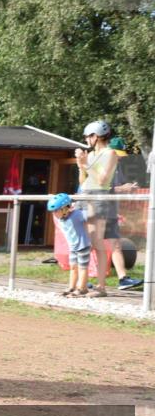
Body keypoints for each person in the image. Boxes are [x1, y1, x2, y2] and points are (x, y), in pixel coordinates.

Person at [74, 120, 118, 298]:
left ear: (96, 136)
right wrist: (80, 164)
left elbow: (102, 180)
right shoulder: (90, 155)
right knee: (84, 243)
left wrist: (85, 165)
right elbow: (82, 181)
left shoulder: (110, 153)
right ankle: (82, 283)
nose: (86, 139)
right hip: (85, 195)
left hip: (99, 197)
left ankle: (101, 286)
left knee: (96, 242)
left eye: (88, 136)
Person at [106, 137, 141, 290]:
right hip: (97, 210)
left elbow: (117, 187)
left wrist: (129, 188)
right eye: (117, 153)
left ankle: (123, 278)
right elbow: (100, 189)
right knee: (90, 247)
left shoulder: (117, 166)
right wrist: (123, 189)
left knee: (116, 246)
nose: (120, 157)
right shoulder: (102, 164)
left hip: (111, 211)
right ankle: (83, 281)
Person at [48, 193, 90, 298]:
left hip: (83, 245)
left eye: (56, 210)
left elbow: (89, 214)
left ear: (65, 208)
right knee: (73, 267)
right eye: (53, 211)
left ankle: (82, 288)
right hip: (73, 247)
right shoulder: (60, 218)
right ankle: (72, 287)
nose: (54, 213)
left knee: (82, 267)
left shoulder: (77, 214)